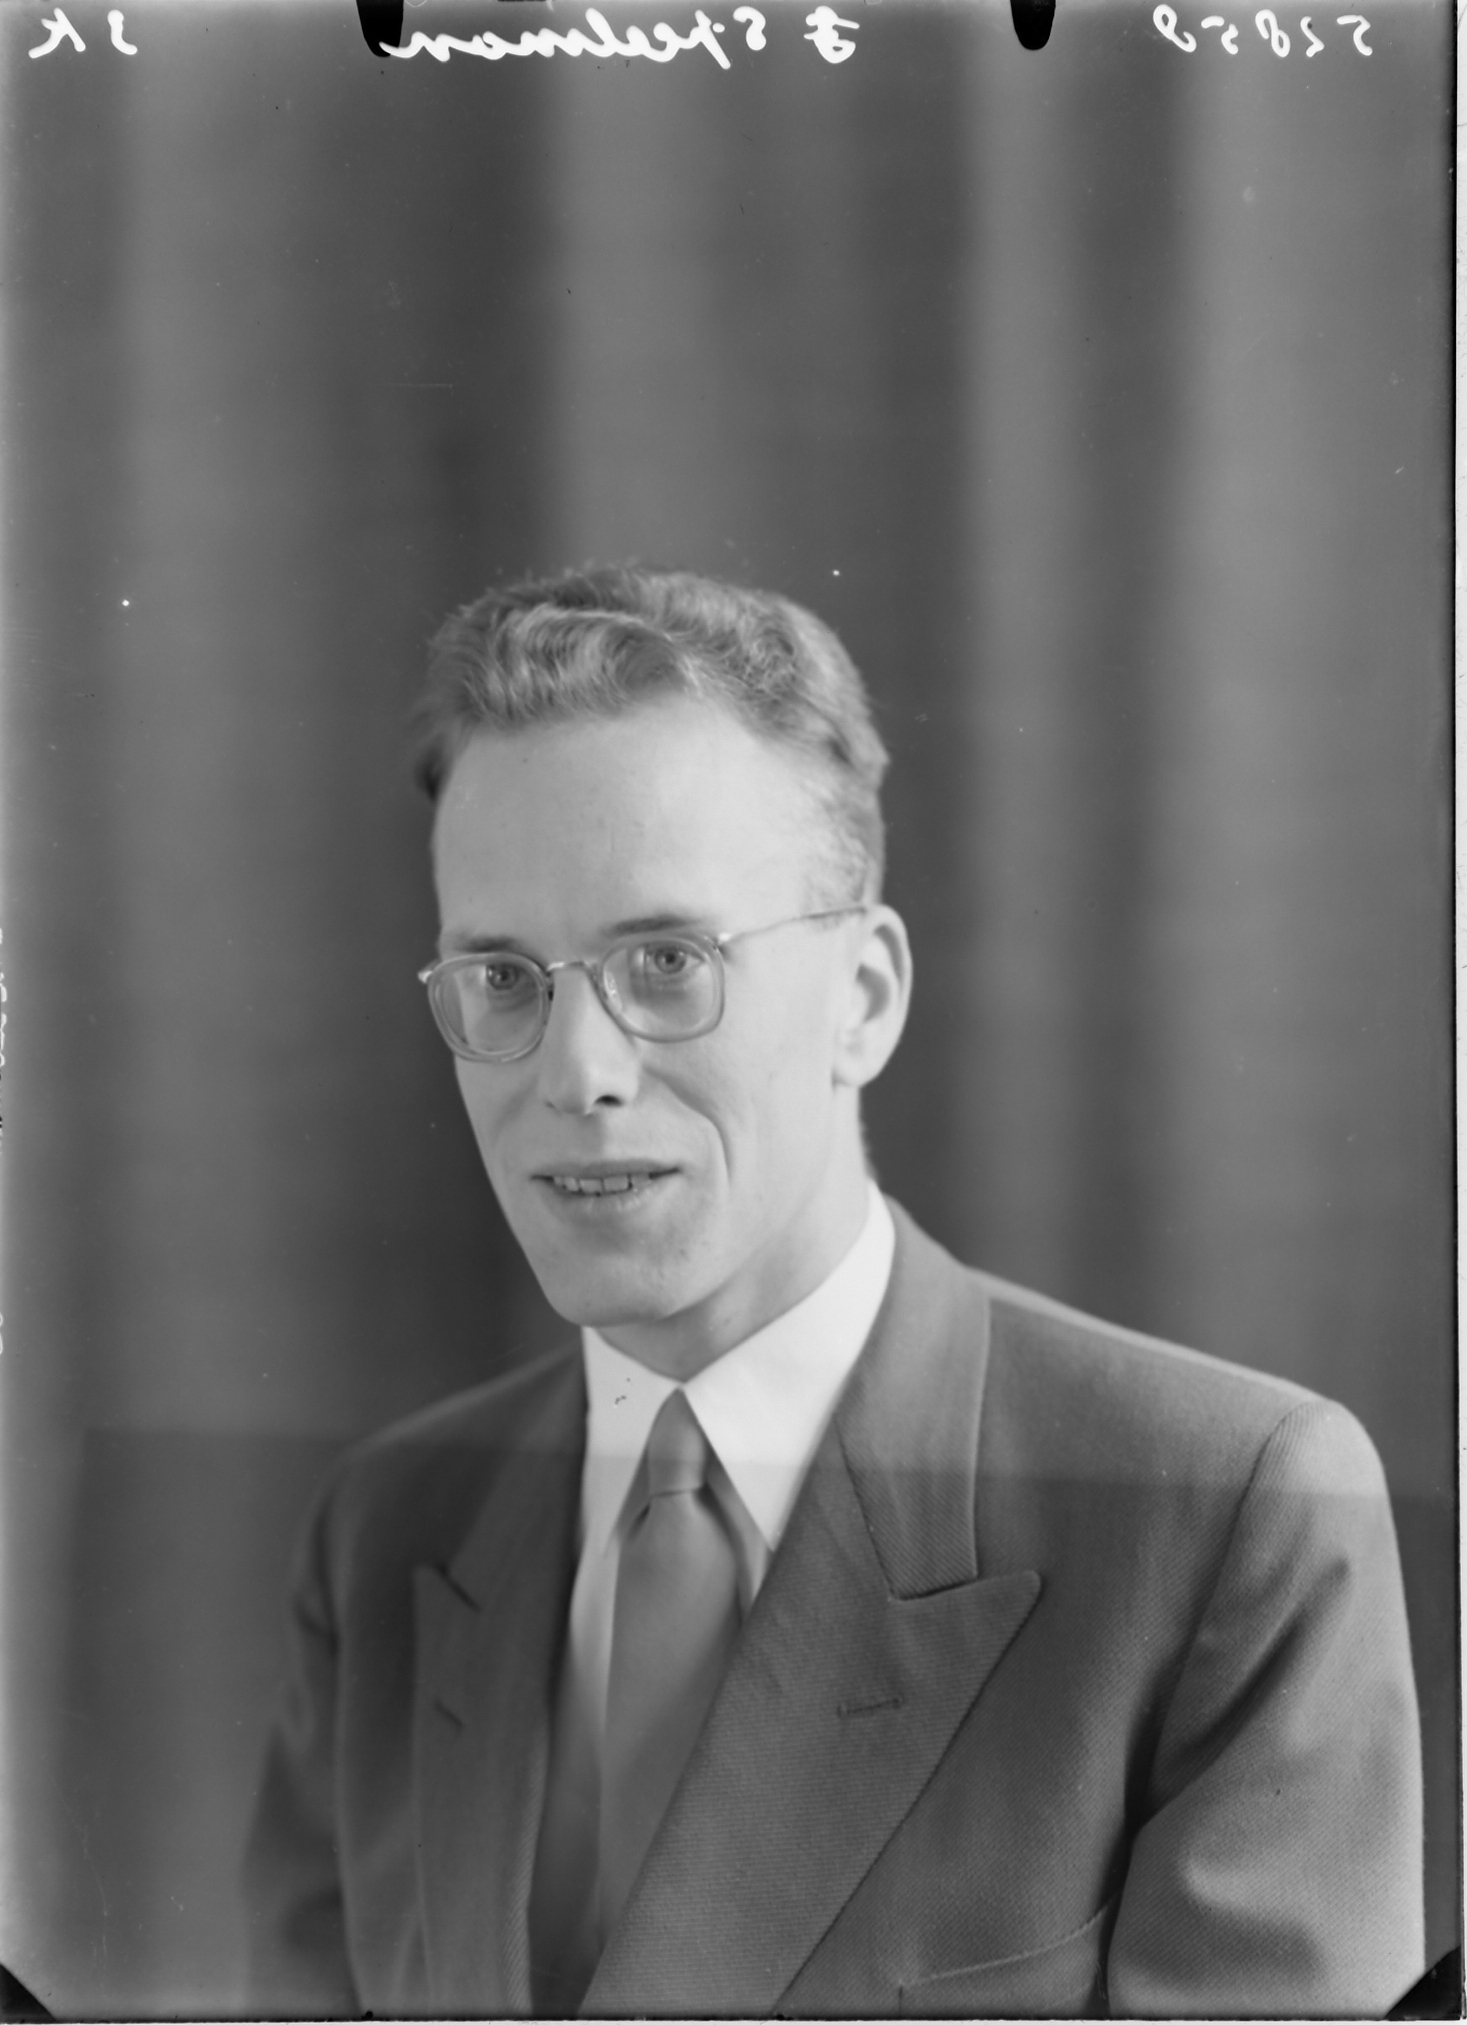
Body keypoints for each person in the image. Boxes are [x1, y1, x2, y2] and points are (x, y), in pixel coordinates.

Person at [243, 564, 1423, 2018]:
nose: (576, 1074)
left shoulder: (1229, 1517)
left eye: (666, 961)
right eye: (501, 977)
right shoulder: (384, 1537)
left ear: (864, 998)